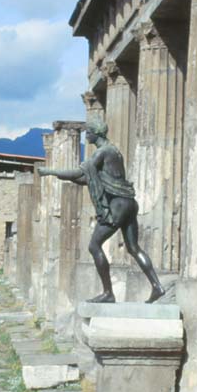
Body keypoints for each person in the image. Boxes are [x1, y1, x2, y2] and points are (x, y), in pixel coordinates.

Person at [37, 117, 165, 304]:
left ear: (95, 133)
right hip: (129, 202)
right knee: (133, 248)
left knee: (94, 246)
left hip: (117, 205)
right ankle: (157, 286)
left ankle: (108, 293)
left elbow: (78, 173)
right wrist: (66, 177)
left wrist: (50, 172)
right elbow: (87, 179)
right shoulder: (114, 151)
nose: (86, 135)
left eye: (88, 132)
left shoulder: (101, 152)